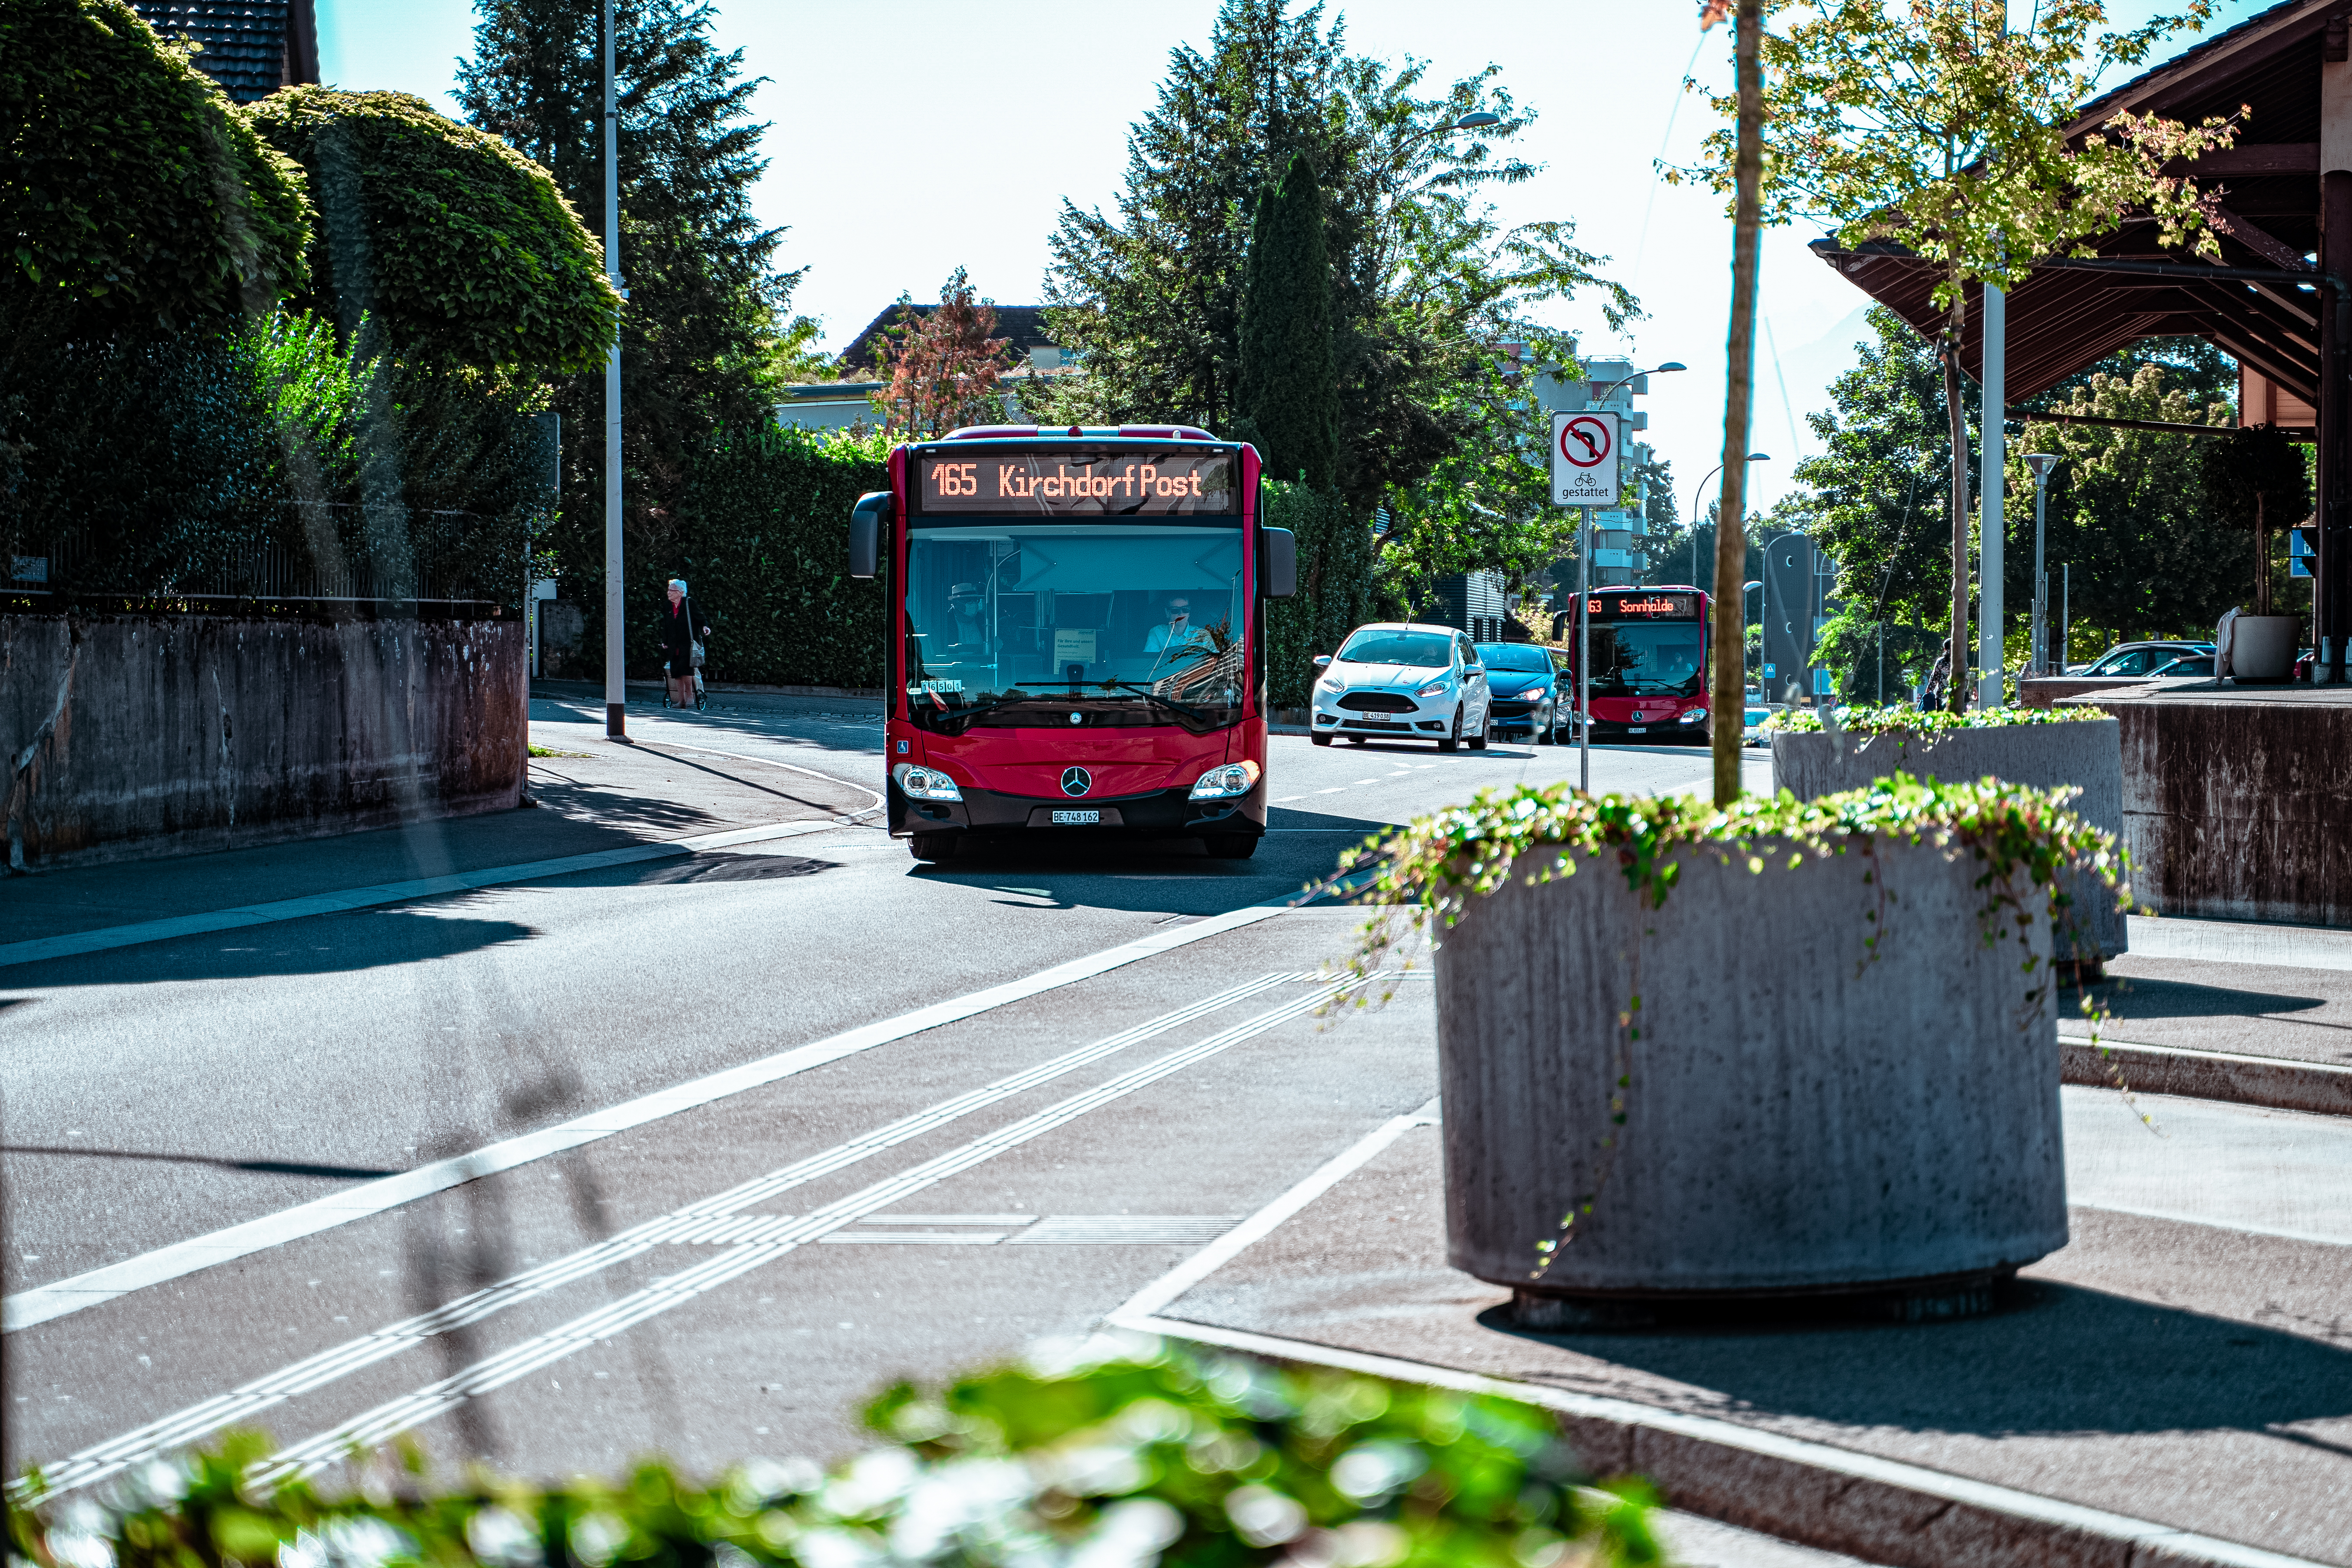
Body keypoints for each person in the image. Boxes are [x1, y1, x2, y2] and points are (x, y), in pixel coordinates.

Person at [661, 578, 709, 710]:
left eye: (672, 590)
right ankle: (681, 700)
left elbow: (700, 617)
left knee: (686, 671)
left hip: (687, 643)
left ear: (681, 592)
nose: (669, 592)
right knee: (676, 672)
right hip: (673, 643)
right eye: (669, 590)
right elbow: (666, 625)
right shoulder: (667, 606)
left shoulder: (689, 603)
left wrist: (705, 627)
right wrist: (665, 641)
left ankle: (690, 698)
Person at [1143, 595, 1209, 654]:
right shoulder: (1157, 633)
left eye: (1185, 610)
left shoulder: (1201, 635)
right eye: (1175, 610)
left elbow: (1212, 662)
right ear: (1167, 613)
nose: (1181, 614)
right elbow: (1149, 661)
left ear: (1189, 613)